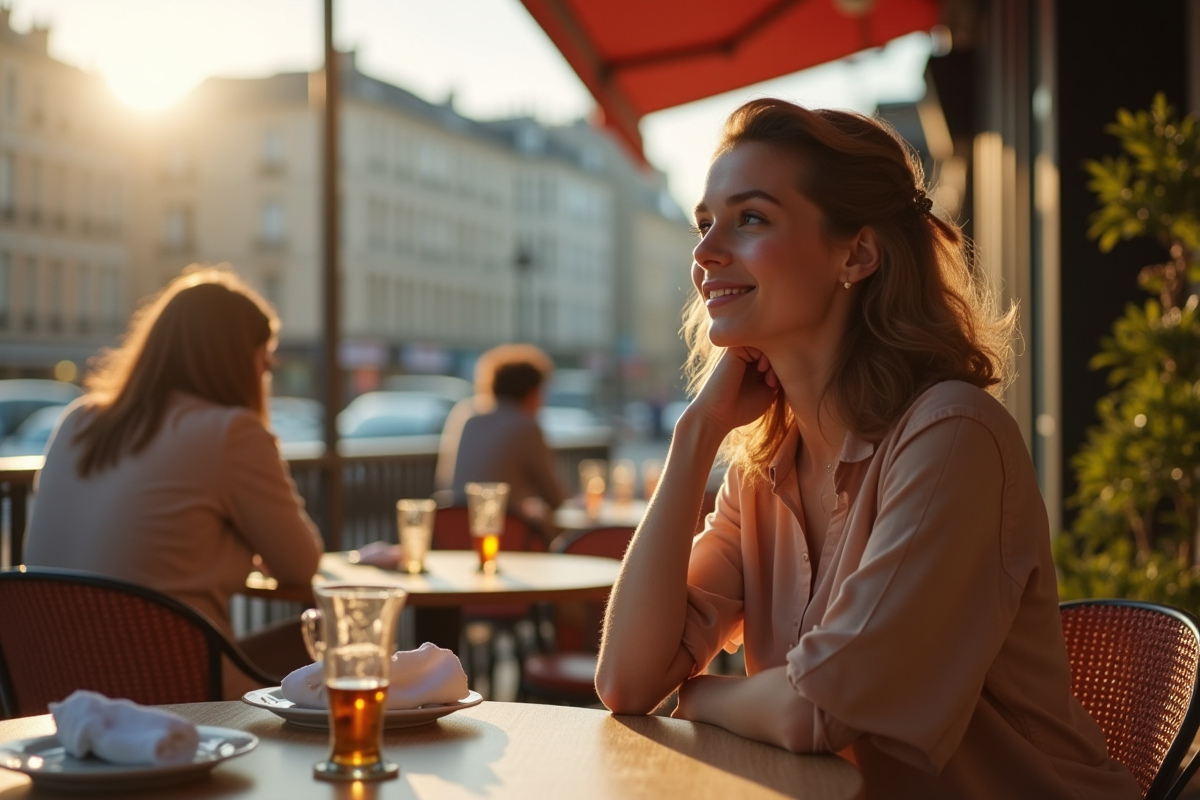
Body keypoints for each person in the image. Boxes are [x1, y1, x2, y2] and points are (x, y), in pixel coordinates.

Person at [595, 99, 1141, 799]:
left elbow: (816, 712)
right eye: (705, 223)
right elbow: (628, 681)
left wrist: (700, 699)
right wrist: (696, 435)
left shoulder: (951, 438)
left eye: (750, 218)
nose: (704, 253)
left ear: (855, 253)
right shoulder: (765, 468)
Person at [25, 267, 324, 697]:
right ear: (242, 360)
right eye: (265, 360)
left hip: (54, 694)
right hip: (171, 692)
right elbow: (300, 565)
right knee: (339, 631)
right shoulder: (229, 432)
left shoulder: (78, 420)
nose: (266, 374)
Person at [435, 344, 566, 539]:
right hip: (505, 532)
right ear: (532, 393)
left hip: (452, 528)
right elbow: (555, 497)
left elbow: (446, 482)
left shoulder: (465, 414)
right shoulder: (525, 425)